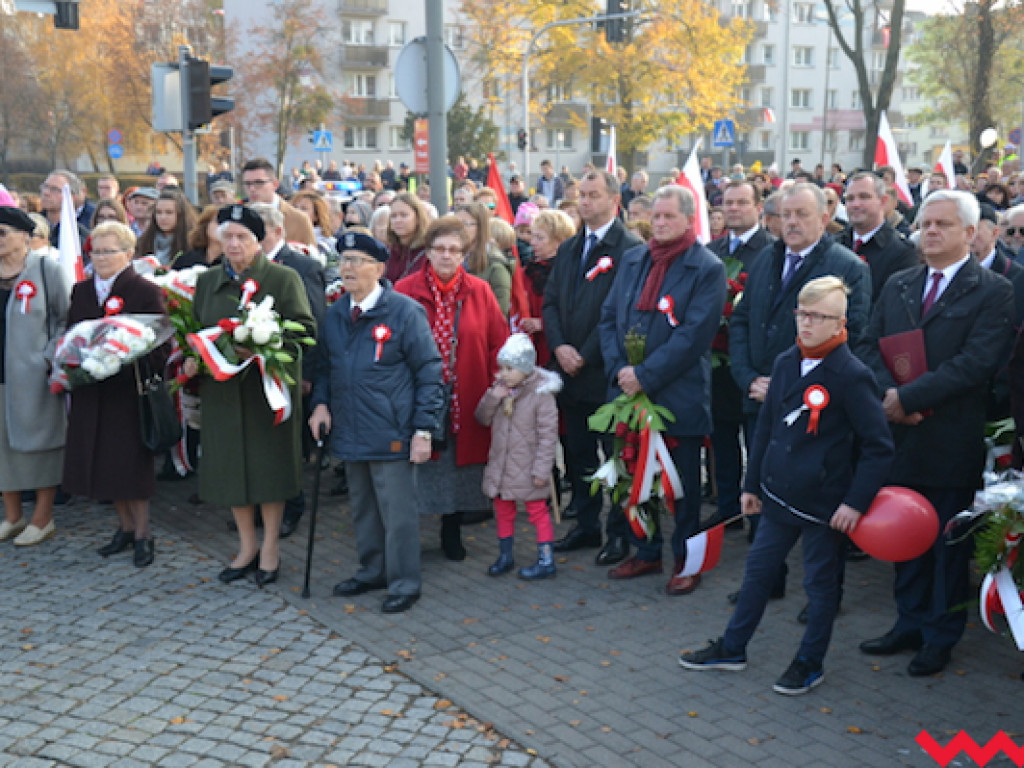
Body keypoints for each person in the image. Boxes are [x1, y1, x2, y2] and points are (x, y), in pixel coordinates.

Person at [680, 277, 893, 695]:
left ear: (840, 323)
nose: (807, 324)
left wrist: (855, 502)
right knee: (757, 574)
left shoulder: (852, 374)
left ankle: (809, 662)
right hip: (777, 494)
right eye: (803, 313)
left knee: (820, 587)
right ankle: (732, 646)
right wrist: (751, 482)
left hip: (823, 504)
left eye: (819, 316)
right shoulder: (785, 361)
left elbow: (878, 447)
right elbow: (766, 429)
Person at [857, 190, 1015, 676]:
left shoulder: (992, 290)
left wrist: (910, 398)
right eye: (925, 223)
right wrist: (889, 398)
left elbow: (977, 363)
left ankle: (939, 635)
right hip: (899, 434)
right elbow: (868, 345)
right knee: (904, 534)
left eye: (942, 225)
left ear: (969, 234)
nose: (929, 232)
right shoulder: (901, 283)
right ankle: (907, 620)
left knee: (947, 542)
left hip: (950, 435)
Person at [598, 185, 727, 594]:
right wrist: (620, 369)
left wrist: (646, 375)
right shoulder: (635, 258)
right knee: (637, 475)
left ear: (689, 219)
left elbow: (694, 336)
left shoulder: (707, 267)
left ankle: (687, 561)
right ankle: (645, 551)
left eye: (669, 216)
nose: (660, 223)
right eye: (656, 216)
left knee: (682, 484)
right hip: (629, 394)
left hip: (677, 395)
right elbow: (608, 319)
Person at [310, 231, 442, 613]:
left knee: (397, 513)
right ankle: (373, 570)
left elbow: (429, 370)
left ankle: (404, 581)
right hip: (350, 428)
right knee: (363, 507)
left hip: (392, 429)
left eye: (356, 261)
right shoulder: (336, 314)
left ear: (379, 269)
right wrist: (320, 404)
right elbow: (325, 369)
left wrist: (423, 429)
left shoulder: (403, 311)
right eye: (343, 260)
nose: (346, 268)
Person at [189, 205, 316, 587]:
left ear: (259, 241)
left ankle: (271, 547)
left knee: (269, 470)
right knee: (232, 471)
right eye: (227, 236)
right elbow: (196, 331)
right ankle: (246, 547)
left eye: (242, 237)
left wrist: (267, 350)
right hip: (223, 394)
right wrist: (196, 358)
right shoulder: (208, 281)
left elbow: (304, 334)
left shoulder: (283, 278)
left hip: (267, 393)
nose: (233, 244)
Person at [394, 216, 508, 561]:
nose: (446, 256)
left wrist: (496, 387)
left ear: (464, 254)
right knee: (422, 465)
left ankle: (452, 528)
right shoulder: (404, 290)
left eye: (454, 250)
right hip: (420, 393)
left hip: (466, 390)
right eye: (439, 249)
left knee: (459, 467)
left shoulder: (480, 290)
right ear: (427, 252)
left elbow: (496, 343)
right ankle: (409, 533)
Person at [544, 170, 643, 564]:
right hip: (569, 374)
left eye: (593, 195)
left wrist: (584, 352)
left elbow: (620, 312)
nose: (584, 202)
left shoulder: (630, 249)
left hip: (604, 374)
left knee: (615, 458)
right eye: (580, 195)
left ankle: (618, 532)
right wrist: (560, 346)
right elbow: (550, 302)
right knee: (578, 455)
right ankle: (586, 525)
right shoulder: (569, 248)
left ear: (613, 200)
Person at [62, 222, 169, 565]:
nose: (101, 258)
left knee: (130, 466)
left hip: (127, 393)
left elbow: (160, 344)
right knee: (104, 465)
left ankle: (143, 533)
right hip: (91, 393)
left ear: (128, 253)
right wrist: (73, 360)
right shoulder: (81, 291)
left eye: (109, 251)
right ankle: (123, 528)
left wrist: (122, 356)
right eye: (96, 251)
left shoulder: (143, 290)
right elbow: (71, 334)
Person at [706, 181, 775, 531]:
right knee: (722, 439)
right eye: (727, 203)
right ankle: (729, 507)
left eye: (741, 203)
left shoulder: (771, 250)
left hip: (752, 365)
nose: (733, 209)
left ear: (758, 207)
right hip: (717, 363)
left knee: (756, 442)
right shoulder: (711, 250)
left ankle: (758, 513)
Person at [0, 207, 70, 547]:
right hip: (0, 376)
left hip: (33, 376)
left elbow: (66, 318)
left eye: (2, 233)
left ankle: (42, 518)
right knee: (1, 448)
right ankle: (13, 516)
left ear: (25, 236)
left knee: (41, 444)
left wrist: (48, 355)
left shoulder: (46, 270)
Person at [475, 333, 561, 580]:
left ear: (524, 369)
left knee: (537, 512)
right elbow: (482, 418)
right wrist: (493, 398)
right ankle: (505, 555)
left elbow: (548, 437)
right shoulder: (501, 390)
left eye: (509, 368)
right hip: (502, 466)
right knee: (502, 509)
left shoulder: (542, 396)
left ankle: (546, 560)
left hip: (529, 467)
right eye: (501, 367)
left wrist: (542, 471)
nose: (503, 374)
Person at [838, 172, 918, 303]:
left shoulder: (902, 252)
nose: (856, 204)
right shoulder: (835, 244)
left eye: (864, 197)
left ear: (883, 201)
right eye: (850, 199)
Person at [522, 209, 575, 368]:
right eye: (533, 236)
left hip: (557, 350)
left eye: (539, 238)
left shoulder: (571, 273)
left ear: (560, 242)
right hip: (529, 347)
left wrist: (544, 323)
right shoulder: (528, 271)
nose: (532, 242)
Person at [240, 158, 316, 248]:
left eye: (259, 182)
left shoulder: (299, 219)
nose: (252, 188)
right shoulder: (239, 217)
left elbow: (312, 257)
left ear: (275, 184)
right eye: (247, 183)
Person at [454, 202, 512, 315]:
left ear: (480, 228)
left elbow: (499, 314)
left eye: (465, 224)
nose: (458, 229)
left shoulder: (496, 266)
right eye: (455, 224)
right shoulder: (451, 259)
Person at [136, 190, 197, 267]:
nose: (163, 217)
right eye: (158, 212)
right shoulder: (143, 242)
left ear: (181, 214)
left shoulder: (192, 243)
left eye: (169, 212)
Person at [384, 192, 429, 283]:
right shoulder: (387, 252)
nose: (398, 220)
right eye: (393, 216)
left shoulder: (429, 252)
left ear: (418, 218)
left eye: (404, 215)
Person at [291, 190, 335, 264]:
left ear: (316, 216)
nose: (296, 212)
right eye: (294, 207)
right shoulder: (283, 235)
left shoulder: (326, 243)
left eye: (303, 209)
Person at [174, 205, 224, 270]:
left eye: (226, 222)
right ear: (206, 225)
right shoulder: (186, 259)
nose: (222, 226)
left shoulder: (235, 263)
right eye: (218, 221)